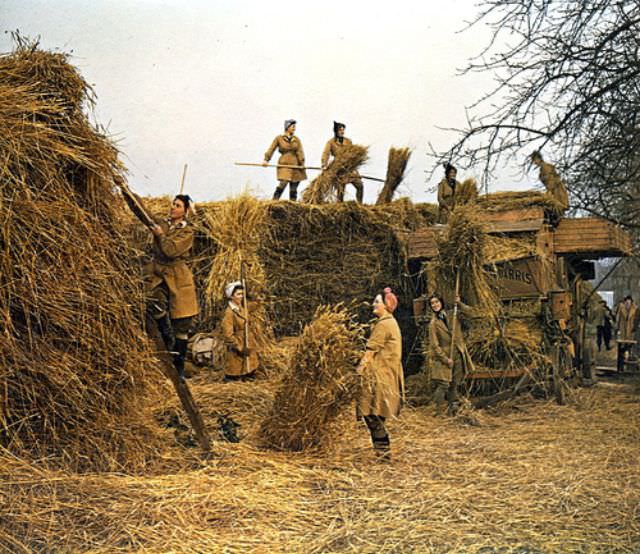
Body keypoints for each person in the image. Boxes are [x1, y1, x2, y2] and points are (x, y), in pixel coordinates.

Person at [124, 193, 199, 379]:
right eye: (173, 204)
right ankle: (166, 346)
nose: (173, 208)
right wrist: (126, 192)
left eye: (178, 206)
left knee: (181, 325)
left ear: (186, 211)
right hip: (157, 275)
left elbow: (170, 250)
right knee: (155, 305)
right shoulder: (163, 223)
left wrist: (160, 236)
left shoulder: (187, 231)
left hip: (178, 278)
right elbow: (144, 214)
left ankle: (179, 367)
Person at [356, 287, 404, 461]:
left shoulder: (384, 324)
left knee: (371, 414)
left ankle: (383, 453)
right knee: (376, 414)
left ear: (386, 305)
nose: (373, 305)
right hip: (386, 375)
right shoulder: (390, 322)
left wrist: (359, 370)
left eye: (377, 302)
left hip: (380, 376)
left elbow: (370, 351)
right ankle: (382, 452)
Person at [428, 293, 475, 416]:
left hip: (458, 352)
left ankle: (452, 409)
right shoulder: (433, 323)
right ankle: (438, 411)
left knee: (455, 382)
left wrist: (459, 303)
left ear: (441, 303)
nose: (435, 305)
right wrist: (444, 359)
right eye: (432, 303)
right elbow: (434, 345)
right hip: (444, 356)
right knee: (444, 384)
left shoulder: (452, 314)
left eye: (437, 302)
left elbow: (471, 313)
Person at [221, 281, 259, 382]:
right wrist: (240, 348)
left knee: (250, 368)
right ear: (231, 296)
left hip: (248, 341)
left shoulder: (243, 307)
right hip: (238, 345)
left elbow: (257, 304)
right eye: (238, 294)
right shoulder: (229, 313)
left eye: (242, 294)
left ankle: (248, 375)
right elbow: (228, 335)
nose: (241, 296)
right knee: (236, 371)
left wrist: (250, 295)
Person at [263, 119, 307, 201]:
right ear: (287, 127)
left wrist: (302, 164)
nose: (294, 128)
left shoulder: (296, 139)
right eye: (292, 126)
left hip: (295, 165)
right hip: (284, 165)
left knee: (294, 188)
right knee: (283, 183)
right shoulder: (279, 138)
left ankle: (293, 205)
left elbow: (300, 151)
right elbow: (271, 149)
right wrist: (266, 160)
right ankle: (274, 201)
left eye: (295, 126)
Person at [321, 121, 364, 203]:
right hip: (339, 169)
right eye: (340, 130)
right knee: (341, 189)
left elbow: (353, 153)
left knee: (360, 185)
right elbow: (325, 154)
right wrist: (324, 164)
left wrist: (355, 167)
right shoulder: (331, 142)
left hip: (349, 168)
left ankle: (360, 204)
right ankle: (339, 205)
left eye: (343, 130)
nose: (342, 131)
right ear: (336, 131)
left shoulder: (348, 141)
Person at [615, 295, 638, 373]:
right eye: (626, 303)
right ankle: (620, 368)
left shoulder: (635, 309)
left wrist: (635, 329)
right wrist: (617, 329)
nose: (627, 304)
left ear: (631, 303)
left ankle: (631, 367)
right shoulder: (620, 309)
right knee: (621, 350)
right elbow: (617, 319)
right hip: (622, 331)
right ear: (624, 303)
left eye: (629, 303)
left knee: (631, 349)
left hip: (631, 332)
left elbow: (636, 320)